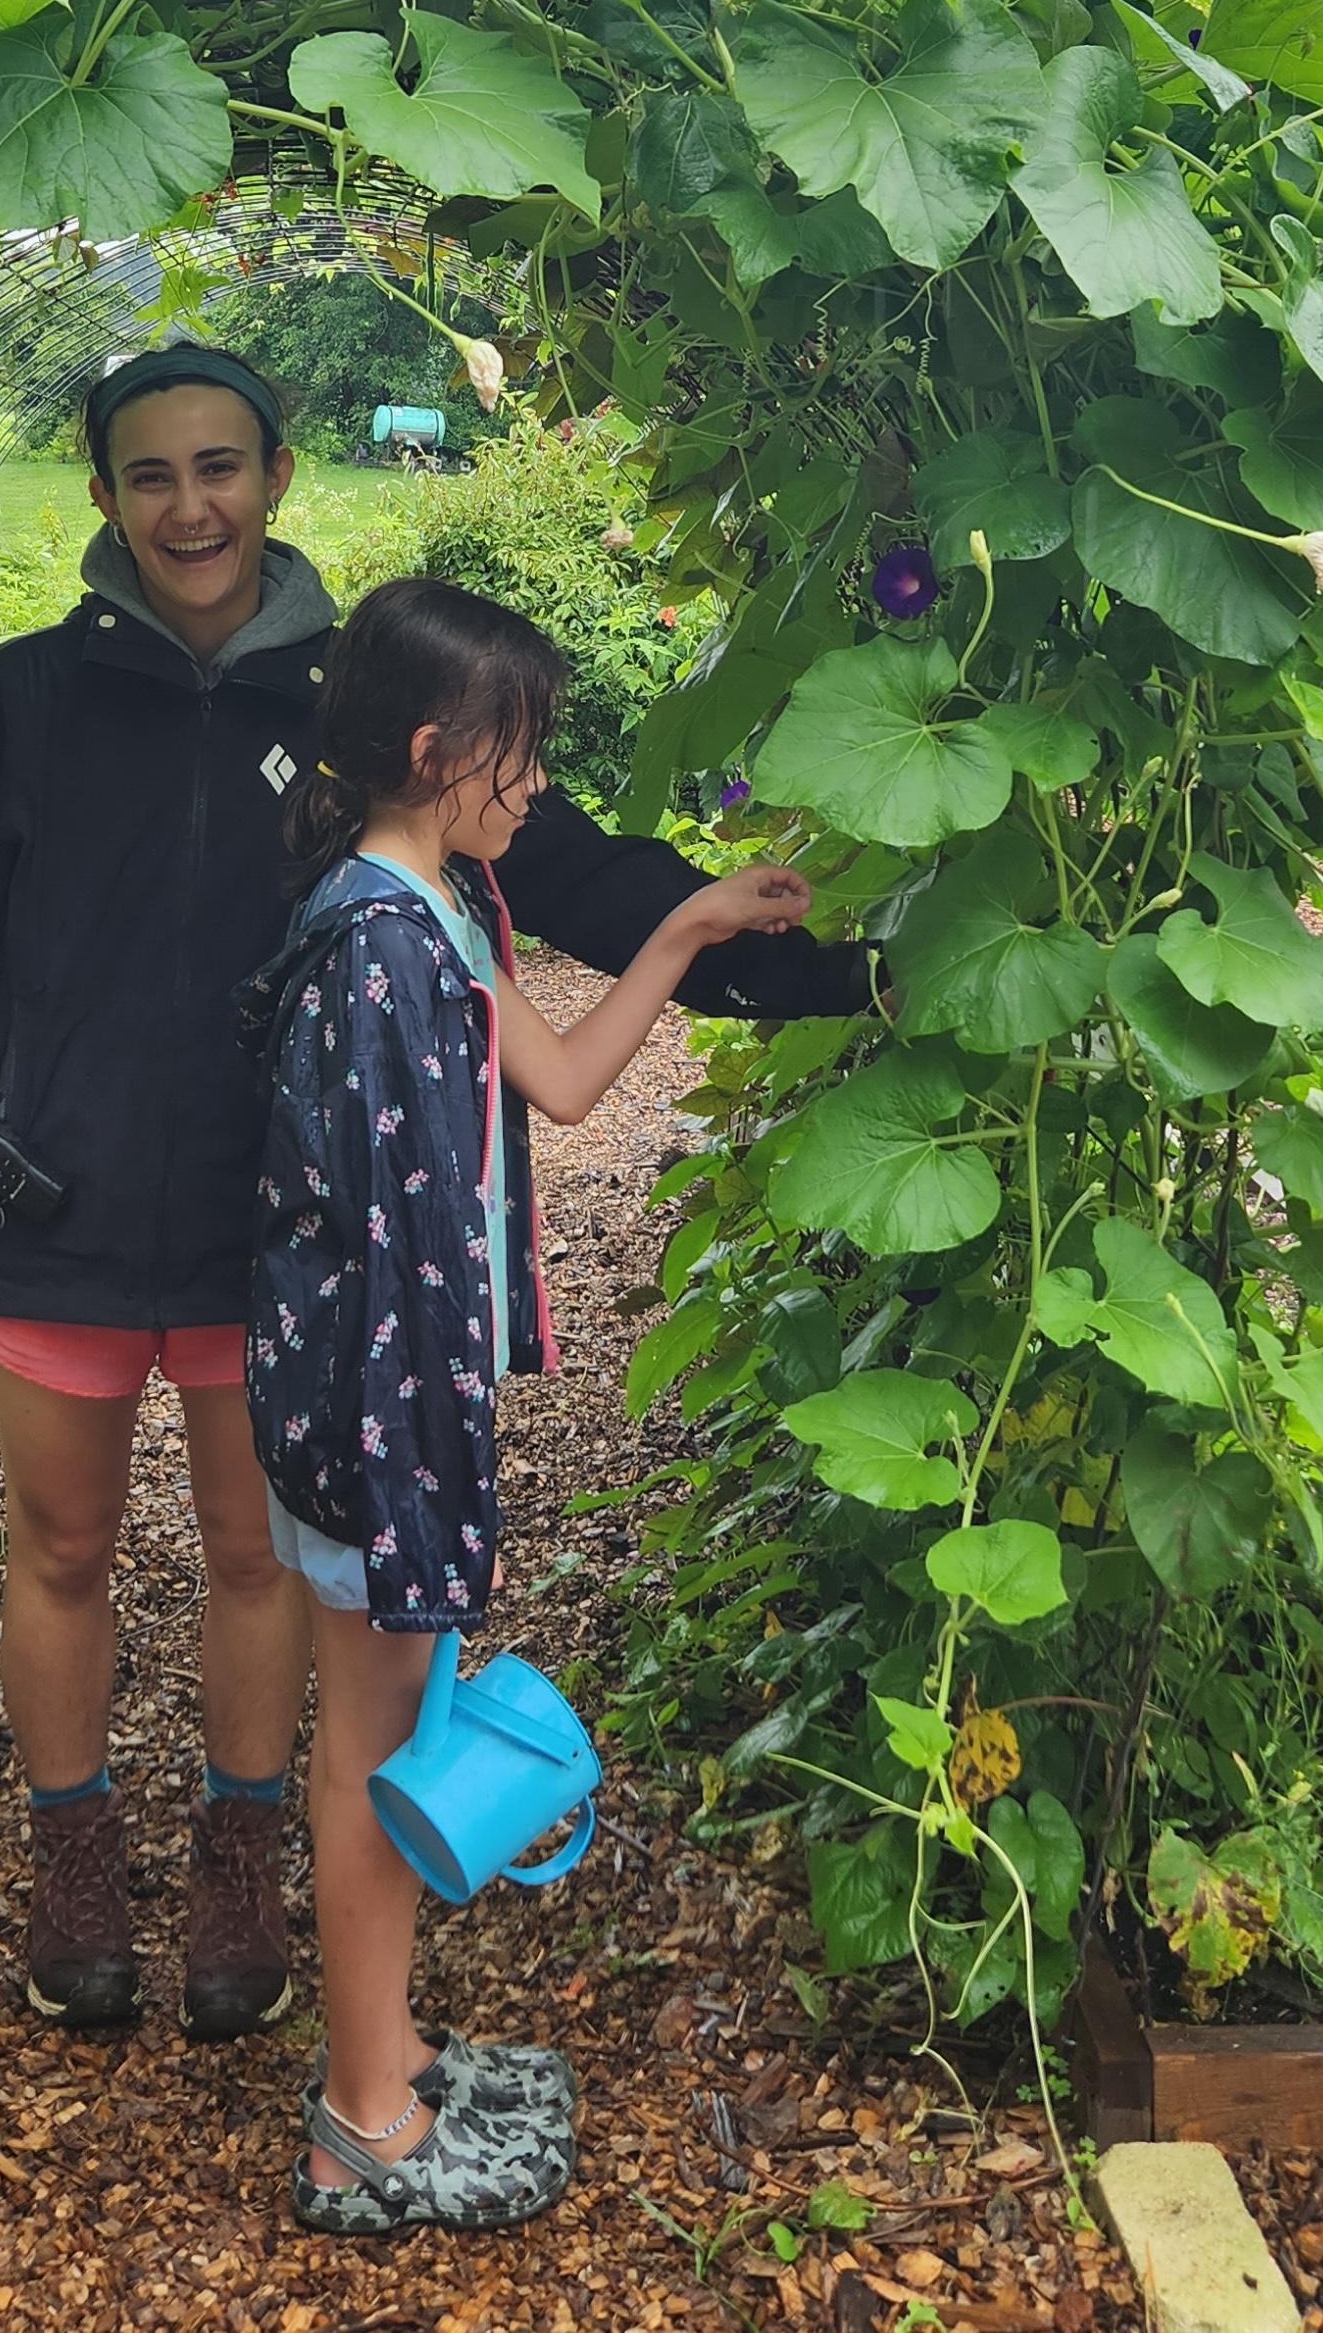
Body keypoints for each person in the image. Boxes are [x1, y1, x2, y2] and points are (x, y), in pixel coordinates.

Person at [0, 344, 868, 2045]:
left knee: (254, 1554)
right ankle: (72, 1853)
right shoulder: (26, 699)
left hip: (277, 1234)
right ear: (101, 495)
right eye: (150, 473)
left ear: (277, 476)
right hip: (58, 1200)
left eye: (219, 466)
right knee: (59, 1541)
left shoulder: (355, 711)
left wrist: (809, 967)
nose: (190, 505)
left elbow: (569, 865)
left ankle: (238, 1851)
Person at [248, 579, 813, 2231]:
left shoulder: (423, 904)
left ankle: (389, 2050)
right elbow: (390, 1242)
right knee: (372, 1757)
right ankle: (360, 2122)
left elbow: (557, 1081)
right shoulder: (378, 949)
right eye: (524, 751)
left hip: (379, 1408)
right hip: (372, 1421)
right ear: (439, 751)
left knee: (388, 1738)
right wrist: (419, 1479)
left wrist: (684, 929)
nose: (540, 783)